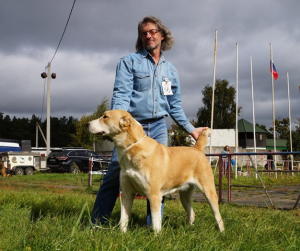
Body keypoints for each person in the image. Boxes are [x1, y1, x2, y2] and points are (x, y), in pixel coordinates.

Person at [91, 16, 207, 227]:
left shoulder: (170, 71)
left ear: (162, 36)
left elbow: (174, 105)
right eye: (144, 33)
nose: (148, 36)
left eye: (153, 31)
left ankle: (151, 227)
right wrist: (116, 126)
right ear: (140, 38)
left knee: (157, 179)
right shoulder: (129, 62)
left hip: (158, 127)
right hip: (132, 130)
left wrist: (192, 130)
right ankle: (97, 223)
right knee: (115, 172)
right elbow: (121, 97)